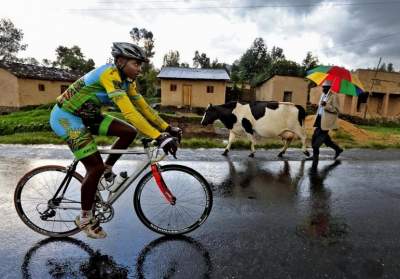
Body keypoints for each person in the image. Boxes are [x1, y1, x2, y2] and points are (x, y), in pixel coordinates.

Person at [49, 42, 182, 239]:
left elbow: (144, 108)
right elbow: (129, 112)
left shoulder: (128, 81)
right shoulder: (109, 74)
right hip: (66, 118)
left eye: (140, 64)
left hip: (89, 116)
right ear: (120, 61)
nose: (139, 68)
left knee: (129, 132)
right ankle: (85, 218)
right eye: (136, 64)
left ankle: (107, 171)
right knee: (93, 167)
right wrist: (158, 136)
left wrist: (166, 128)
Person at [308, 80, 343, 167]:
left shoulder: (334, 96)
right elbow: (321, 107)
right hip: (319, 119)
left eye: (324, 87)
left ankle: (315, 159)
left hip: (326, 121)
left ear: (328, 88)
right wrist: (317, 106)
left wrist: (326, 105)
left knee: (316, 143)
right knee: (323, 140)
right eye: (322, 87)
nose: (322, 88)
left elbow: (337, 110)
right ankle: (338, 149)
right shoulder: (323, 95)